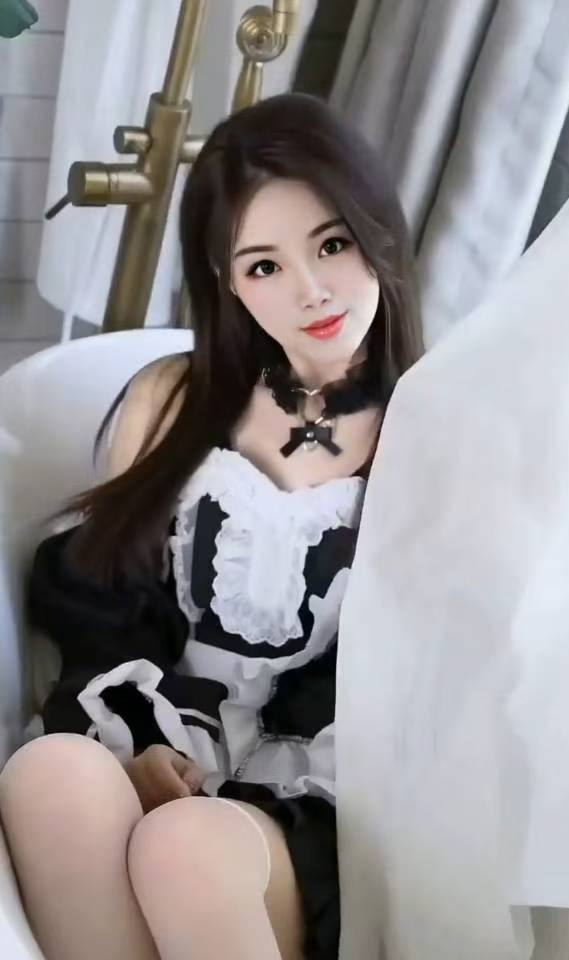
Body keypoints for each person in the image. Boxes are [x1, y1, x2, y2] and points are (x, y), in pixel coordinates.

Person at [0, 93, 423, 960]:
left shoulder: (436, 430)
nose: (311, 291)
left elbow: (433, 676)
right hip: (176, 738)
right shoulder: (173, 400)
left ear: (376, 232)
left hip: (318, 800)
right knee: (49, 776)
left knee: (187, 846)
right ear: (226, 280)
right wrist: (144, 744)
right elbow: (105, 598)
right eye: (264, 265)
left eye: (332, 245)